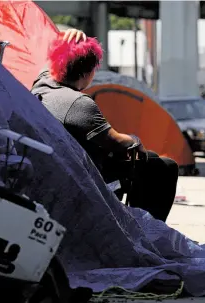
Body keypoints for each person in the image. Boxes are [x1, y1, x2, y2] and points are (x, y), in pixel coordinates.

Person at [31, 29, 178, 222]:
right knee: (163, 166)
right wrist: (135, 140)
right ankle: (145, 230)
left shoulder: (42, 85)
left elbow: (50, 61)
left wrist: (66, 38)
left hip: (57, 169)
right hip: (84, 181)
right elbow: (117, 141)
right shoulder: (78, 104)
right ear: (87, 73)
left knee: (150, 160)